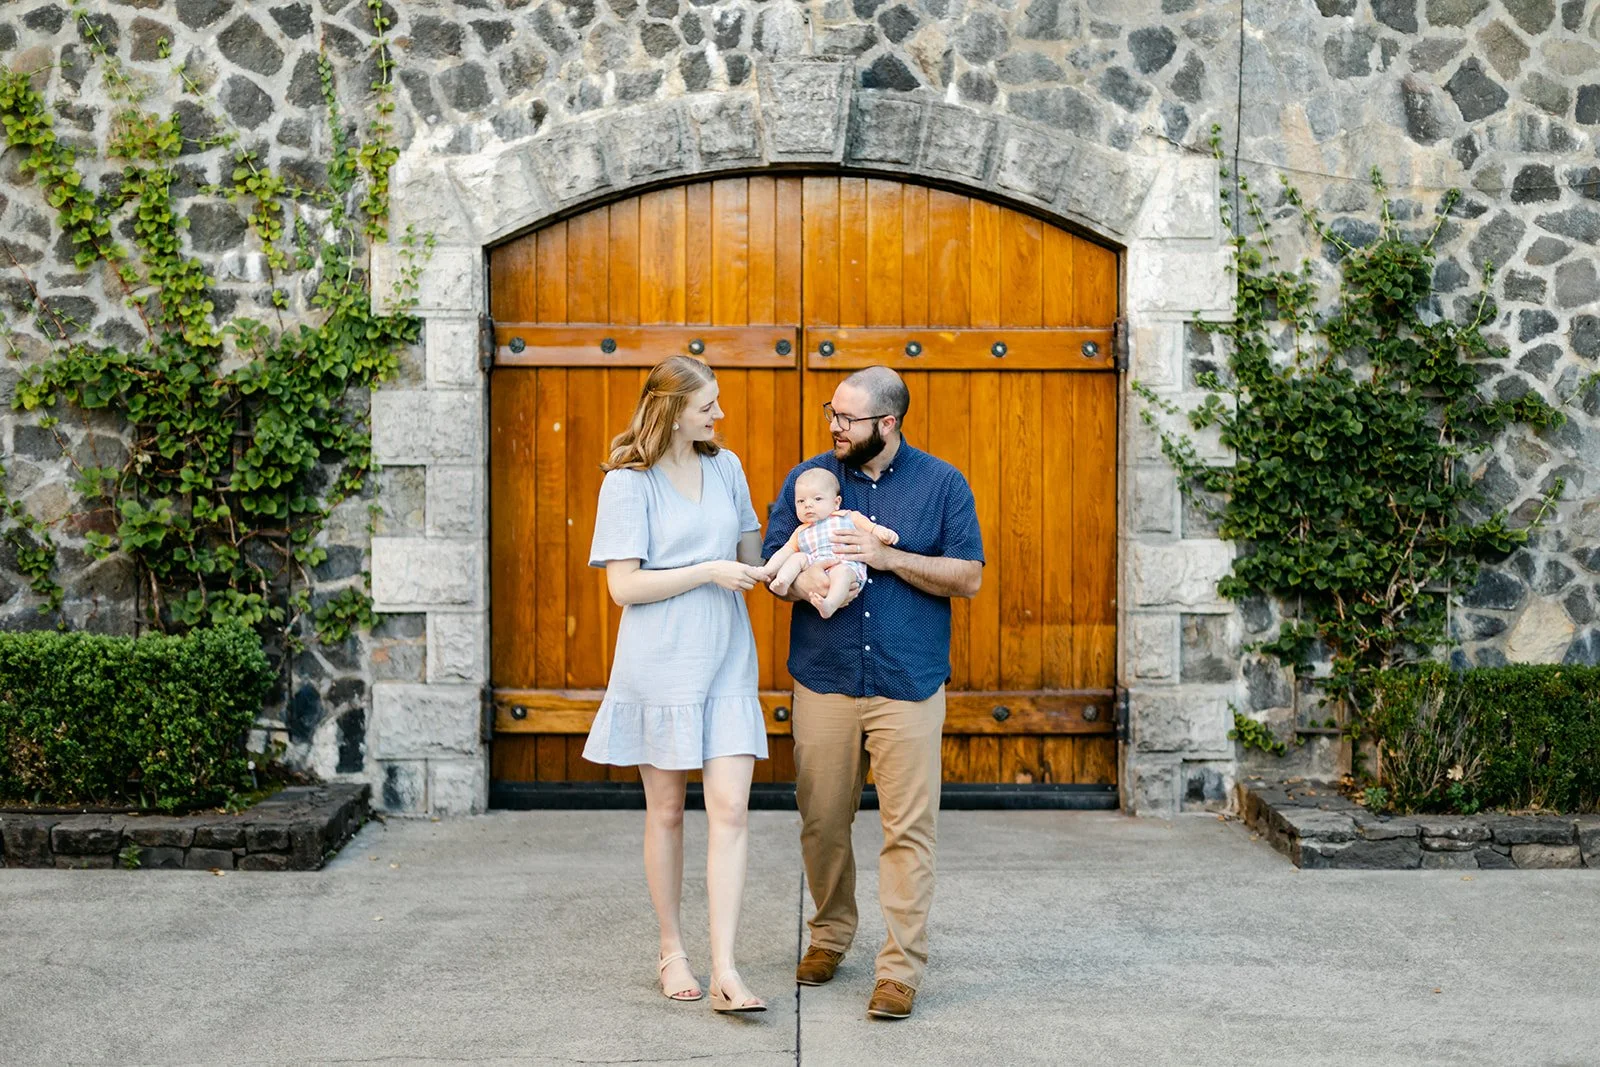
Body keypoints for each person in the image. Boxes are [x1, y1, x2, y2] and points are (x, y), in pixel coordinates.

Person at [762, 366, 984, 1020]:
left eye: (847, 418)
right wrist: (810, 584)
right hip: (825, 676)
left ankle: (899, 968)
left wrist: (884, 558)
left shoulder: (943, 484)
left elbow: (967, 576)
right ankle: (829, 935)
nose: (834, 425)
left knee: (907, 828)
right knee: (822, 818)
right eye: (832, 413)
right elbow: (778, 558)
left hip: (907, 681)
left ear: (887, 423)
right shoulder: (810, 481)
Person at [582, 355, 771, 1014]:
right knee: (665, 811)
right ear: (669, 408)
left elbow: (753, 562)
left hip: (726, 659)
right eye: (707, 405)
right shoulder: (627, 484)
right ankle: (672, 948)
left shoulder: (728, 467)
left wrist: (815, 550)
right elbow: (623, 585)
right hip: (659, 662)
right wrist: (706, 569)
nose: (719, 415)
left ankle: (724, 966)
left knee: (732, 810)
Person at [758, 467, 900, 619]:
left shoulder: (847, 517)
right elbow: (784, 552)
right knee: (796, 558)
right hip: (814, 566)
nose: (808, 505)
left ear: (836, 502)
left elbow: (871, 528)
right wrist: (768, 570)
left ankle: (829, 604)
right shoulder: (801, 531)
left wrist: (883, 533)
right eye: (801, 501)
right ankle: (783, 582)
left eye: (817, 499)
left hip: (844, 563)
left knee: (842, 572)